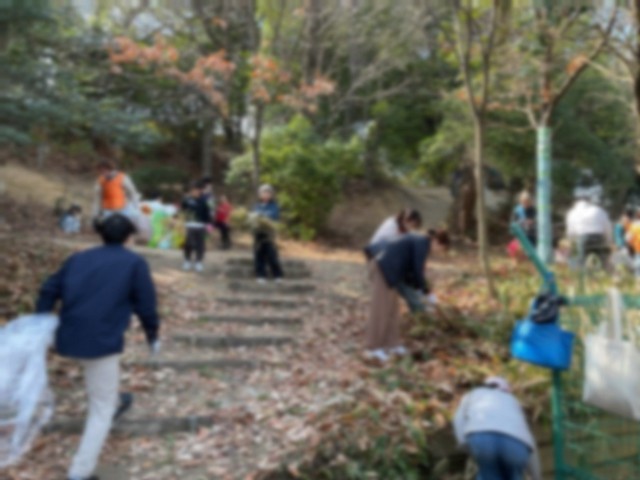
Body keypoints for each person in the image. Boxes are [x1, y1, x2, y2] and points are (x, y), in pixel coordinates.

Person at [36, 214, 160, 480]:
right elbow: (146, 305)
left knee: (104, 387)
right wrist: (152, 335)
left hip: (67, 338)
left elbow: (48, 289)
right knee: (101, 410)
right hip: (99, 343)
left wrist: (41, 321)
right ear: (129, 237)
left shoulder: (78, 258)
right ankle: (80, 472)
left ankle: (117, 401)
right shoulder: (134, 263)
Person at [364, 230, 442, 362]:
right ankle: (373, 348)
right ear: (436, 241)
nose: (438, 251)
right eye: (441, 248)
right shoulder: (422, 243)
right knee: (381, 310)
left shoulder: (419, 241)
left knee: (393, 310)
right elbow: (418, 270)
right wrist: (426, 292)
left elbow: (410, 271)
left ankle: (392, 344)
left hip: (392, 273)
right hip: (383, 269)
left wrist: (420, 290)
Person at [453, 377, 542, 480]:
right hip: (516, 444)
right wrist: (537, 476)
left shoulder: (472, 395)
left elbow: (458, 419)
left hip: (483, 438)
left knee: (489, 474)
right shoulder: (513, 401)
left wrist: (465, 444)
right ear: (506, 390)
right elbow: (529, 440)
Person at [566, 193, 613, 267]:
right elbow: (607, 227)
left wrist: (571, 241)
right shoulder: (598, 210)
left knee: (582, 260)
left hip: (582, 238)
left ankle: (583, 270)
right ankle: (602, 269)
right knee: (601, 260)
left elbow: (570, 231)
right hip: (598, 237)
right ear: (589, 201)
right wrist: (608, 241)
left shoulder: (572, 213)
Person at [251, 184, 283, 283]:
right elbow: (253, 217)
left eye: (268, 193)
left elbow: (274, 216)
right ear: (260, 194)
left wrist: (263, 216)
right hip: (258, 233)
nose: (265, 195)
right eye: (263, 193)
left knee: (271, 255)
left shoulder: (274, 206)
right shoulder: (257, 206)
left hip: (269, 234)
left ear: (271, 195)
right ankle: (261, 275)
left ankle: (277, 275)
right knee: (259, 254)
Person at [181, 181, 211, 272]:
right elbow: (182, 211)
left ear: (200, 190)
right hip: (189, 225)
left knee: (200, 245)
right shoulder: (186, 200)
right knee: (188, 244)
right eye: (193, 190)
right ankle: (187, 260)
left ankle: (198, 262)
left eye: (197, 190)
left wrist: (209, 226)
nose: (195, 191)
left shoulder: (204, 200)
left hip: (201, 226)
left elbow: (207, 213)